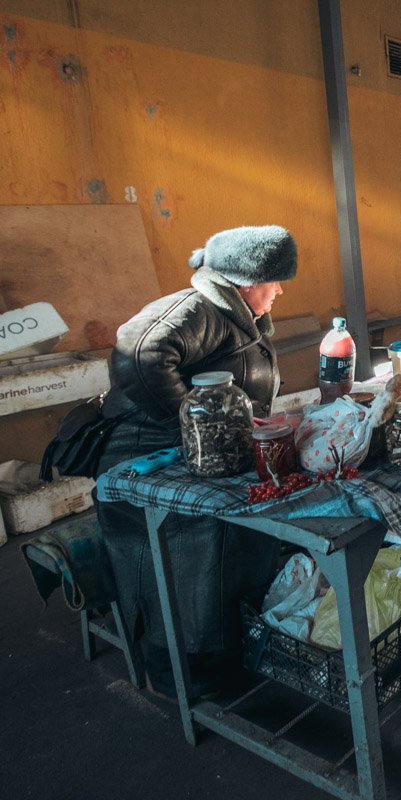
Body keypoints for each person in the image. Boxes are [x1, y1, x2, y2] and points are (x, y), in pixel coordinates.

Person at [96, 224, 299, 699]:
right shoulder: (197, 309)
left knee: (231, 551)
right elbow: (139, 353)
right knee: (187, 561)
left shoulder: (233, 315)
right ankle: (175, 677)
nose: (280, 291)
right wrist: (190, 421)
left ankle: (225, 656)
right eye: (274, 280)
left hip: (203, 459)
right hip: (149, 457)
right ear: (247, 281)